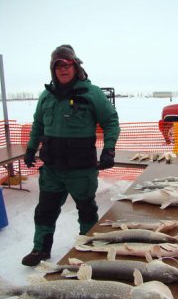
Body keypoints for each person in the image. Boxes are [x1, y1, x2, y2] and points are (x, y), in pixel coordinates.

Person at [22, 44, 120, 266]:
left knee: (86, 210)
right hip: (52, 170)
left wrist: (109, 148)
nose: (63, 69)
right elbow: (37, 125)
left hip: (81, 171)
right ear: (53, 69)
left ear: (76, 66)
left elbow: (111, 121)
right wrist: (30, 149)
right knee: (45, 211)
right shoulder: (46, 96)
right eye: (58, 65)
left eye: (67, 64)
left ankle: (89, 249)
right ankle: (40, 250)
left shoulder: (91, 93)